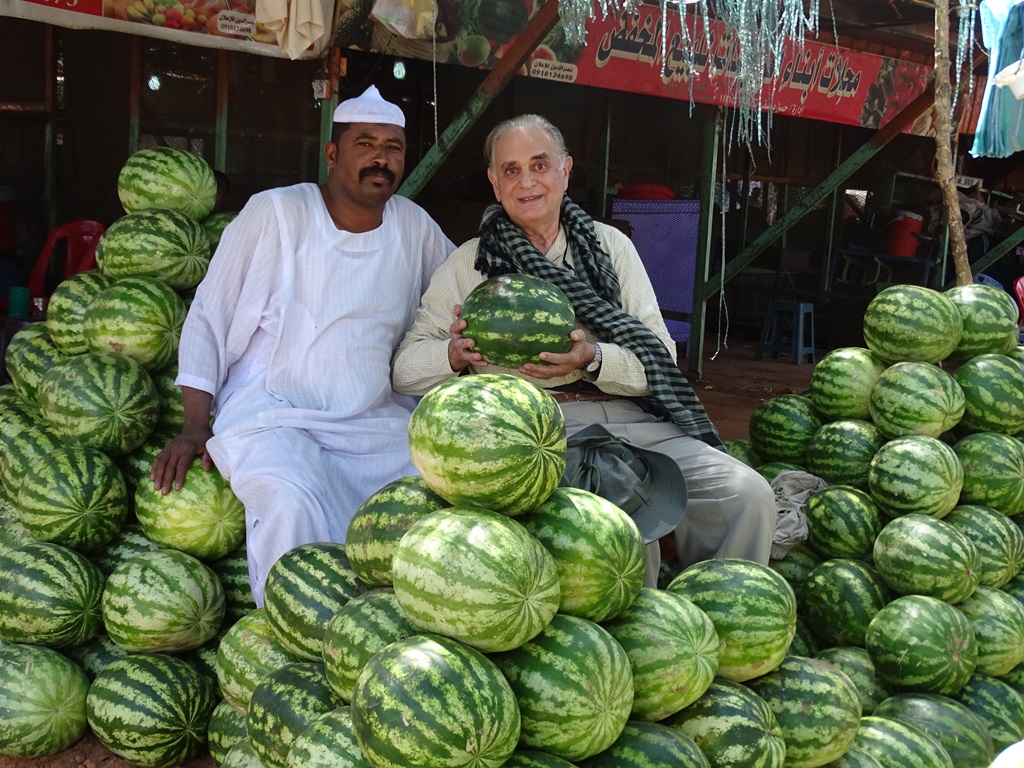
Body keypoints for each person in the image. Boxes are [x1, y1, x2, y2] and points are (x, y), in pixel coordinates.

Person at [392, 114, 776, 585]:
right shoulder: (470, 264)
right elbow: (405, 370)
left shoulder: (609, 246)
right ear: (494, 182)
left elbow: (661, 357)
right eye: (510, 170)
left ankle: (728, 620)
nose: (527, 181)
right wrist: (454, 356)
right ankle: (649, 643)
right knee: (630, 522)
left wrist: (592, 359)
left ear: (566, 171)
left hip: (633, 416)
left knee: (747, 494)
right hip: (543, 431)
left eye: (540, 165)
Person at [151, 85, 456, 605]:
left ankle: (389, 625)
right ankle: (292, 627)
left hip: (375, 421)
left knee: (433, 496)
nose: (381, 157)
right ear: (333, 153)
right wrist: (194, 425)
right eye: (365, 143)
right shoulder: (275, 213)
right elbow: (210, 315)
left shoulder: (415, 226)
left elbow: (457, 299)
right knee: (292, 500)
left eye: (394, 146)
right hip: (275, 414)